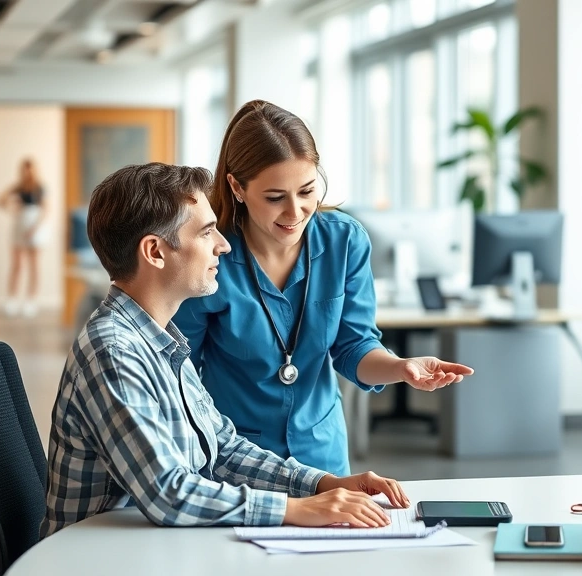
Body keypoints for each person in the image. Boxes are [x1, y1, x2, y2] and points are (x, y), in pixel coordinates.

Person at [40, 162, 409, 538]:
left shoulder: (162, 341)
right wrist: (295, 509)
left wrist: (322, 485)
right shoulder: (115, 352)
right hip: (100, 559)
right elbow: (168, 494)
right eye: (206, 232)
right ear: (154, 251)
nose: (224, 244)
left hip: (151, 546)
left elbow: (225, 450)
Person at [172, 100, 474, 476]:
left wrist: (400, 368)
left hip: (321, 455)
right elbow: (178, 370)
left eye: (307, 190)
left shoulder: (344, 242)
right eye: (275, 197)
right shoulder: (210, 256)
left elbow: (354, 346)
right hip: (237, 459)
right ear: (236, 187)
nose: (295, 212)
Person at [0, 158, 47, 317]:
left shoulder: (40, 188)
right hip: (19, 227)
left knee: (34, 266)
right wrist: (12, 207)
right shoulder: (18, 187)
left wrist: (35, 228)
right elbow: (0, 200)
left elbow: (46, 209)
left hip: (34, 228)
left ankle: (31, 300)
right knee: (17, 265)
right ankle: (12, 299)